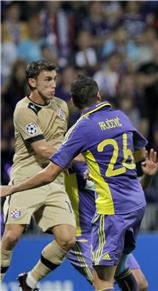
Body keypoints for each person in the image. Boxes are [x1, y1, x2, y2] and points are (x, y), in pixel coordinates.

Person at [1, 75, 152, 291]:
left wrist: (12, 188)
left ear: (72, 101)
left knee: (139, 284)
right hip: (86, 234)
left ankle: (30, 281)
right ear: (99, 95)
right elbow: (139, 154)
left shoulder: (82, 135)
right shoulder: (117, 120)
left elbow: (49, 173)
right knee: (104, 282)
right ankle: (31, 280)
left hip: (110, 219)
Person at [1, 60, 82, 290]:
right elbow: (42, 149)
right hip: (27, 177)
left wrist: (69, 160)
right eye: (48, 80)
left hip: (54, 179)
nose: (53, 84)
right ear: (32, 82)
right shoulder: (23, 109)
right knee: (12, 236)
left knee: (67, 238)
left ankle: (30, 281)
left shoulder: (61, 107)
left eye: (54, 79)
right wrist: (77, 157)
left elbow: (60, 143)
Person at [65, 149, 158, 291]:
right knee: (103, 284)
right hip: (83, 236)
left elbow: (133, 189)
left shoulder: (107, 161)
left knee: (140, 284)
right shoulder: (71, 160)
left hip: (109, 229)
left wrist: (147, 176)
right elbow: (51, 157)